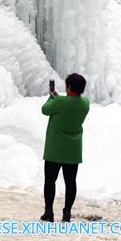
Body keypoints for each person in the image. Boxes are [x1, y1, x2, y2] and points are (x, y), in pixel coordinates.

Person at [40, 73, 90, 222]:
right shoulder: (85, 103)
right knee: (71, 182)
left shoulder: (59, 102)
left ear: (68, 87)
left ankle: (49, 212)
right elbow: (70, 103)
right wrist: (58, 98)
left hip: (54, 149)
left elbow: (45, 110)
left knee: (50, 181)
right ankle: (67, 212)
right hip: (73, 150)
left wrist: (52, 96)